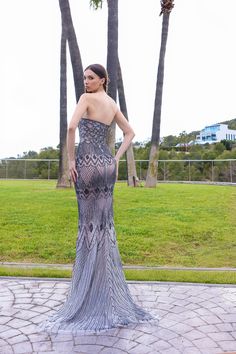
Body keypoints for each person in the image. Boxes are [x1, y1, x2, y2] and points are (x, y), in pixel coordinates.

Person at [39, 63, 157, 334]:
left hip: (88, 163)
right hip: (106, 164)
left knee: (88, 226)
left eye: (90, 78)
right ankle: (103, 292)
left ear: (102, 80)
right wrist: (115, 158)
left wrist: (70, 161)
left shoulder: (86, 100)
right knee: (104, 227)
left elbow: (71, 128)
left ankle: (89, 295)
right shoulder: (111, 103)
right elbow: (130, 133)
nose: (86, 82)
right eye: (84, 78)